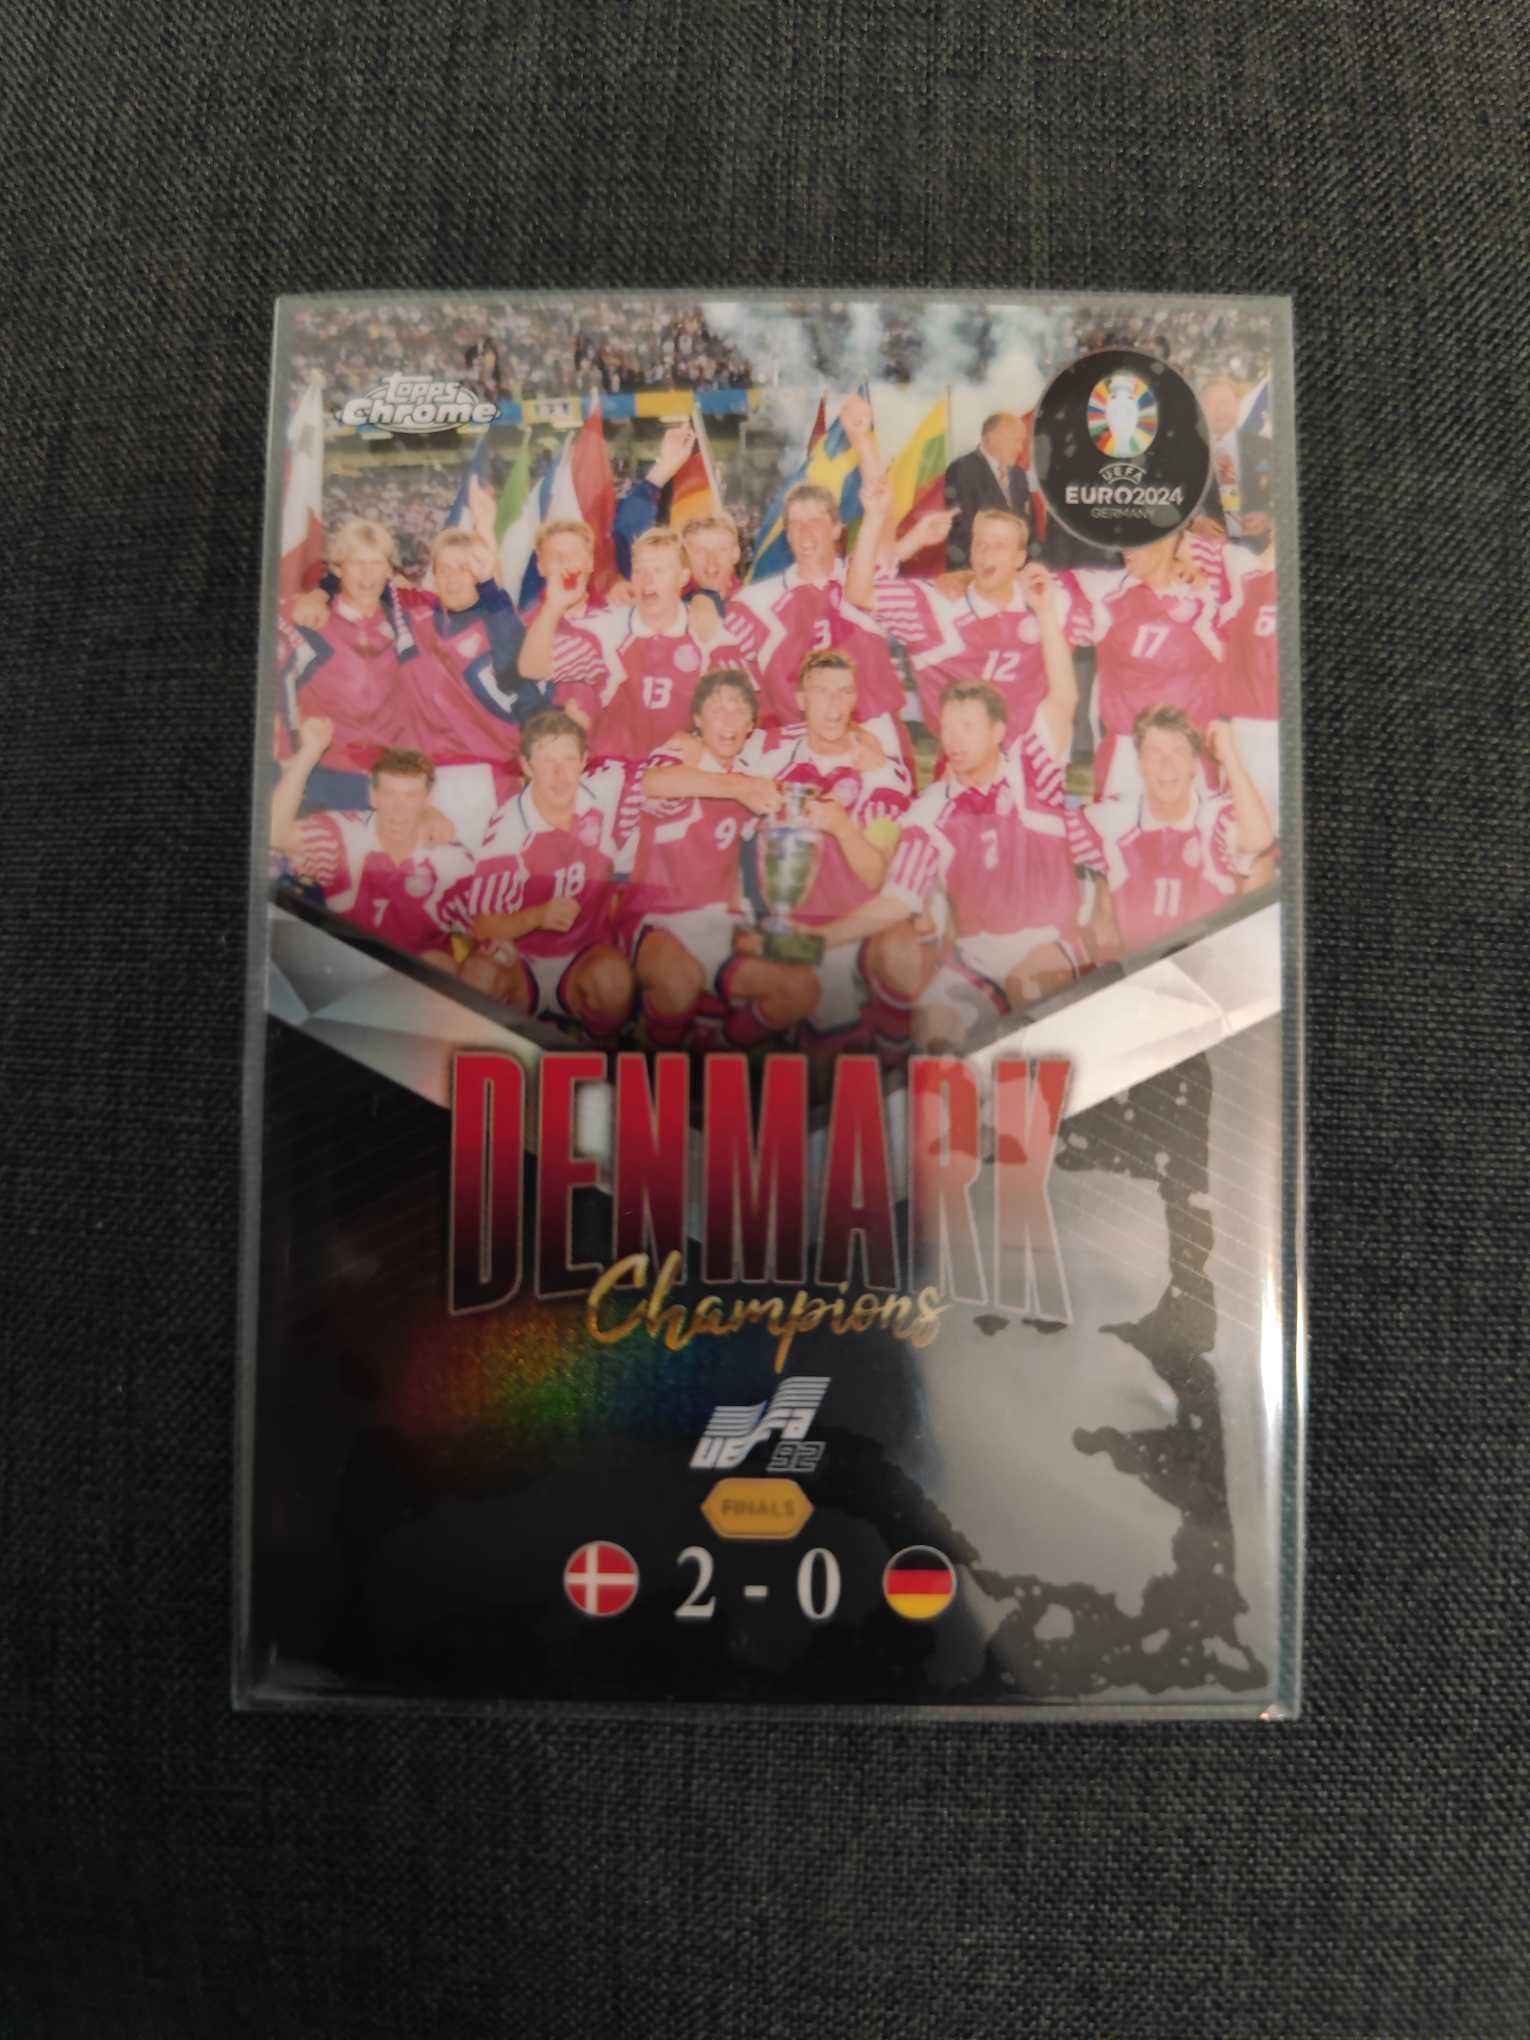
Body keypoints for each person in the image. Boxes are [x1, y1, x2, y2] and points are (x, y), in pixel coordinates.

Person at [813, 680, 1087, 1051]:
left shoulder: (1031, 774)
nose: (954, 739)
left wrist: (1051, 635)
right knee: (932, 1028)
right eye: (947, 727)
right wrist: (816, 939)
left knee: (1030, 989)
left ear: (997, 732)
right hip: (978, 959)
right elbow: (898, 900)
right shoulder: (929, 810)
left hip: (1051, 943)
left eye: (967, 726)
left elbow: (1064, 697)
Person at [619, 670, 816, 1049]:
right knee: (679, 982)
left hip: (719, 921)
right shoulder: (681, 754)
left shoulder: (751, 779)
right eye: (716, 709)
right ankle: (654, 1053)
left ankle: (717, 1048)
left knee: (801, 986)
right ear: (697, 718)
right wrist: (735, 786)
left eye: (738, 710)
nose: (728, 720)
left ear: (750, 725)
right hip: (656, 920)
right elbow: (651, 783)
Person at [739, 649, 911, 1053]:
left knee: (831, 1038)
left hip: (846, 926)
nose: (834, 705)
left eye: (844, 692)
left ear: (855, 698)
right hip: (774, 918)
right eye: (821, 692)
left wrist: (842, 828)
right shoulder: (767, 754)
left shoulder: (882, 774)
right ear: (801, 699)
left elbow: (876, 875)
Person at [723, 397, 910, 751]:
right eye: (795, 523)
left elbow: (881, 512)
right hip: (794, 748)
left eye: (815, 521)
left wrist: (863, 442)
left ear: (837, 528)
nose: (805, 532)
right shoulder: (755, 603)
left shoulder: (861, 581)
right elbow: (726, 678)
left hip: (869, 742)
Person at [446, 710, 634, 1038]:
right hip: (520, 960)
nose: (560, 774)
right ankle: (508, 1045)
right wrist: (537, 916)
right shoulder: (508, 831)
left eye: (569, 759)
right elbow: (483, 926)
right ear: (527, 766)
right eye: (547, 761)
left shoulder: (605, 805)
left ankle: (594, 1045)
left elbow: (654, 776)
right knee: (477, 977)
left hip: (582, 954)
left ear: (584, 761)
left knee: (615, 983)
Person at [848, 476, 1082, 736]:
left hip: (1031, 755)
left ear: (1019, 558)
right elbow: (859, 592)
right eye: (980, 544)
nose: (986, 553)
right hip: (961, 756)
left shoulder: (1050, 597)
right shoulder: (936, 606)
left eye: (999, 546)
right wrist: (881, 521)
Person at [519, 527, 755, 768]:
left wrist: (703, 744)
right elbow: (531, 669)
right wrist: (553, 606)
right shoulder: (606, 628)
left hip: (679, 772)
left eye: (659, 570)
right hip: (613, 772)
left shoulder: (709, 634)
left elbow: (745, 711)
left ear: (683, 577)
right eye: (640, 570)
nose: (647, 580)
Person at [269, 722, 470, 972]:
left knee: (440, 964)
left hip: (419, 984)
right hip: (350, 972)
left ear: (428, 800)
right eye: (389, 794)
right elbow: (275, 834)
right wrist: (309, 753)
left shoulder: (453, 858)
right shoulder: (342, 834)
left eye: (410, 796)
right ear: (373, 796)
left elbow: (485, 928)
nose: (398, 810)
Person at [1072, 707, 1273, 954]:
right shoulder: (1113, 818)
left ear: (1194, 764)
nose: (1166, 765)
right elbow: (1051, 840)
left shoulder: (1214, 813)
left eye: (1178, 751)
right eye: (1154, 751)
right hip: (1137, 969)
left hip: (1204, 965)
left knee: (1260, 865)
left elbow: (1259, 840)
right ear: (1140, 763)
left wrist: (1230, 757)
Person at [275, 519, 416, 811]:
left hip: (391, 779)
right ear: (338, 569)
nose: (367, 575)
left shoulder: (406, 624)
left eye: (376, 563)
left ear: (389, 570)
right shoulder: (310, 625)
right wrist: (291, 754)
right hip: (325, 775)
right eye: (357, 564)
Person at [1071, 532, 1225, 799]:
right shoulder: (1103, 592)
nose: (1125, 548)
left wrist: (1191, 563)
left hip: (1193, 758)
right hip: (1126, 758)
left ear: (1167, 538)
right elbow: (1040, 586)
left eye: (1138, 537)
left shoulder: (1209, 596)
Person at [942, 413, 1032, 571]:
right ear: (994, 438)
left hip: (1014, 571)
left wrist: (1029, 565)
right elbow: (964, 529)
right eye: (1016, 440)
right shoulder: (963, 469)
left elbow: (1027, 527)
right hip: (974, 570)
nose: (1020, 448)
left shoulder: (1019, 475)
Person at [679, 512, 743, 612]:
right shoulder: (672, 610)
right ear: (686, 558)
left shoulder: (757, 606)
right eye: (699, 551)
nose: (711, 560)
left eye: (721, 550)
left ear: (736, 554)